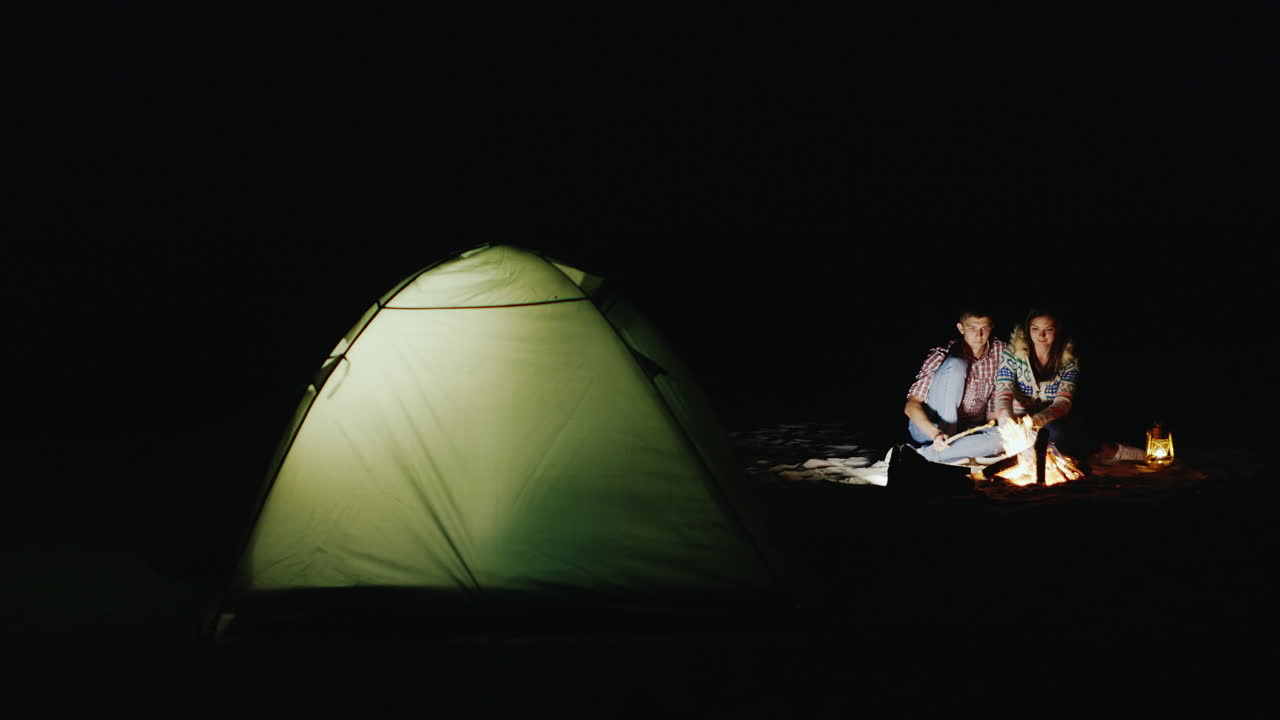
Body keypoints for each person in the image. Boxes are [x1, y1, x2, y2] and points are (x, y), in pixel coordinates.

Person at [904, 308, 1006, 463]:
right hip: (930, 428)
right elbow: (911, 406)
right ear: (961, 328)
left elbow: (994, 408)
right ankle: (950, 448)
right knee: (956, 364)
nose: (979, 335)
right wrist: (935, 434)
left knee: (1008, 437)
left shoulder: (1001, 351)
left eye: (984, 329)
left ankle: (924, 455)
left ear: (991, 328)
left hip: (965, 429)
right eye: (972, 328)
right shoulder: (942, 353)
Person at [993, 308, 1089, 460]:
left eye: (1048, 329)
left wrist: (1037, 420)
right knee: (996, 442)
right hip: (1016, 418)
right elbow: (1003, 393)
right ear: (1028, 329)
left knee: (1058, 436)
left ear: (1057, 330)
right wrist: (1007, 420)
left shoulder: (1068, 358)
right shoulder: (1012, 353)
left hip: (1050, 422)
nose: (1041, 335)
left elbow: (1063, 401)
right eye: (1035, 329)